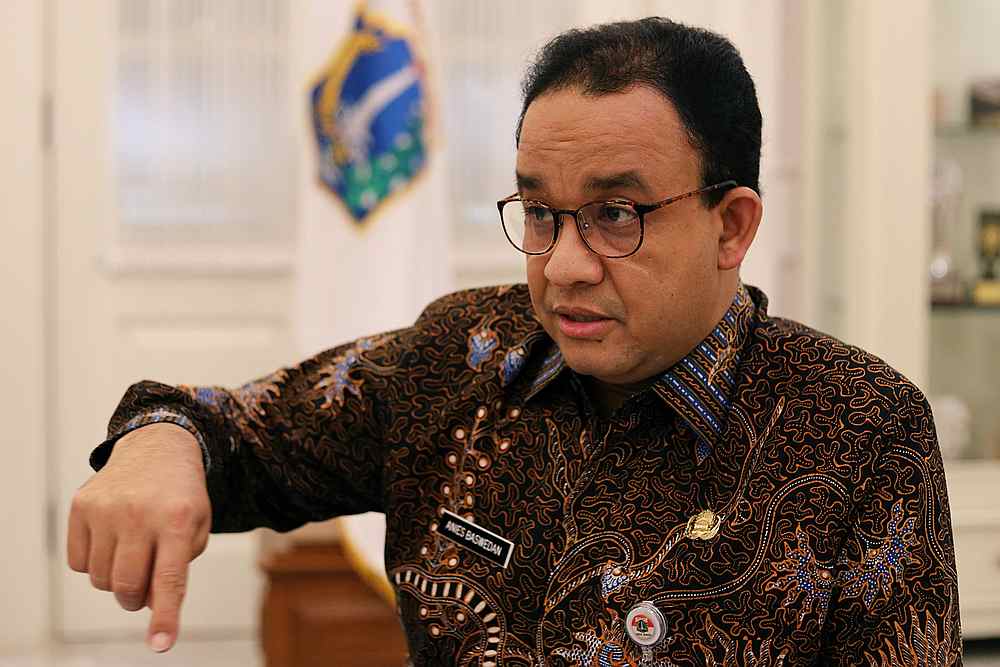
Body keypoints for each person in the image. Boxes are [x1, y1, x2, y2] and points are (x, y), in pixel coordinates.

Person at [67, 17, 962, 666]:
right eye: (539, 211)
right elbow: (233, 430)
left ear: (731, 226)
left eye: (616, 214)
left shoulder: (857, 428)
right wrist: (160, 440)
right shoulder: (463, 356)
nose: (563, 266)